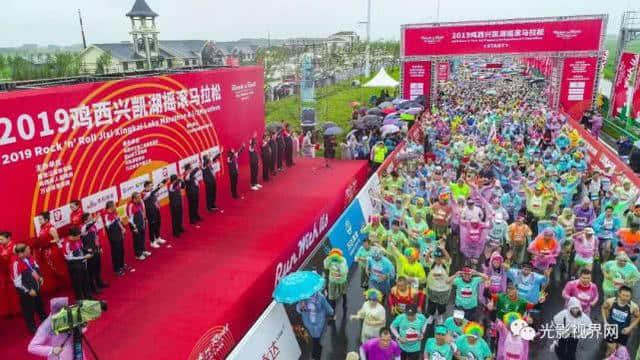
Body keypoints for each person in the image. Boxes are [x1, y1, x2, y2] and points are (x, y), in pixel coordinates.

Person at [11, 243, 47, 333]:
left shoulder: (29, 257)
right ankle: (32, 328)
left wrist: (40, 276)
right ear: (21, 253)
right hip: (27, 292)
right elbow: (17, 282)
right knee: (29, 310)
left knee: (40, 305)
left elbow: (36, 267)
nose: (30, 251)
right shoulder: (15, 263)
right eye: (28, 250)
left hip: (36, 287)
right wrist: (28, 290)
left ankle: (45, 321)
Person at [34, 211, 68, 293]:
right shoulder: (42, 228)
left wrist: (48, 243)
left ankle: (63, 285)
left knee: (57, 268)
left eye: (41, 219)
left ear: (46, 219)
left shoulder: (51, 228)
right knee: (49, 270)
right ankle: (55, 287)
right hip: (45, 251)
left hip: (52, 251)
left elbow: (57, 239)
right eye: (39, 219)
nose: (39, 221)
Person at [602, 285, 640, 356]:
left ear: (630, 296)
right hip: (611, 329)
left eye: (627, 296)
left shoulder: (633, 306)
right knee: (611, 348)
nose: (625, 298)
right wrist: (605, 321)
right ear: (619, 293)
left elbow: (638, 317)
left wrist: (630, 328)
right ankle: (608, 356)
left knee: (620, 350)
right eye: (623, 295)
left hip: (623, 332)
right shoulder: (611, 301)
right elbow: (604, 308)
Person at [297, 291, 334, 360]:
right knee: (315, 338)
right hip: (308, 323)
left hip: (319, 323)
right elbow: (298, 310)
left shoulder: (320, 297)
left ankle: (316, 355)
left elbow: (328, 308)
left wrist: (331, 313)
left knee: (316, 339)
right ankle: (317, 350)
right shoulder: (302, 297)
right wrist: (301, 307)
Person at [61, 227, 93, 300]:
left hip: (82, 264)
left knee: (86, 282)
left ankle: (89, 298)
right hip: (74, 267)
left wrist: (88, 251)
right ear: (72, 236)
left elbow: (81, 248)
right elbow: (68, 258)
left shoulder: (78, 240)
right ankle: (81, 302)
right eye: (78, 236)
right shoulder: (66, 243)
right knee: (78, 285)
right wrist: (84, 257)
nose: (79, 237)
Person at [80, 213, 107, 294]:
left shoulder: (93, 226)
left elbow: (96, 237)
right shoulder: (83, 228)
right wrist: (94, 220)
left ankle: (99, 283)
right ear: (85, 220)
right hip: (89, 252)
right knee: (91, 271)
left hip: (96, 250)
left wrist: (100, 247)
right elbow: (86, 227)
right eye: (90, 217)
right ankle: (93, 288)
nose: (92, 218)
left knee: (97, 268)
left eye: (92, 217)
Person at [323, 248, 348, 315]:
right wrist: (329, 259)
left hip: (342, 281)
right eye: (333, 255)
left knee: (343, 292)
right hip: (332, 281)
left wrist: (338, 266)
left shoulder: (343, 260)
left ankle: (344, 302)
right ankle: (333, 311)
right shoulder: (330, 259)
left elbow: (344, 271)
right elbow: (326, 266)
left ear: (339, 255)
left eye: (336, 255)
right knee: (332, 296)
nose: (334, 257)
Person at [0, 231, 20, 316]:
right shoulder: (2, 247)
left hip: (12, 272)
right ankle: (8, 311)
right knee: (5, 291)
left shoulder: (14, 247)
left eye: (1, 239)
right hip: (3, 272)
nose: (0, 241)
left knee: (13, 292)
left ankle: (17, 310)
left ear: (8, 238)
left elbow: (17, 260)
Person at [104, 201, 126, 276]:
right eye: (114, 206)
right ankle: (116, 269)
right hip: (113, 236)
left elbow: (118, 221)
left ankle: (122, 265)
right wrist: (114, 220)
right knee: (116, 252)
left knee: (121, 250)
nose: (115, 207)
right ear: (110, 207)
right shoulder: (106, 215)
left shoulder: (114, 212)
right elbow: (107, 226)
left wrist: (122, 228)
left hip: (119, 233)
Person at [142, 180, 166, 248]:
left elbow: (154, 196)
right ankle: (152, 241)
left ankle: (158, 237)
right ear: (146, 187)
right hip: (150, 212)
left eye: (152, 186)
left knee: (158, 223)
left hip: (156, 210)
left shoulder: (151, 191)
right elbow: (152, 193)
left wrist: (163, 182)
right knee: (152, 226)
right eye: (150, 186)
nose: (152, 187)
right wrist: (158, 187)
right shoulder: (143, 194)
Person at [127, 192, 150, 261]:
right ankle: (138, 254)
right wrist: (134, 228)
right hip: (135, 225)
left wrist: (145, 219)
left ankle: (143, 250)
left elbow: (143, 211)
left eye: (140, 197)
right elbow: (130, 219)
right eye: (138, 197)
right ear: (134, 199)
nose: (140, 198)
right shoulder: (130, 206)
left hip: (142, 222)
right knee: (137, 239)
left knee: (142, 237)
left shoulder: (141, 201)